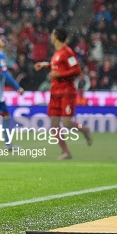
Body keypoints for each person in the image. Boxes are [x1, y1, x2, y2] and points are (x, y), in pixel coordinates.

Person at [34, 27, 93, 160]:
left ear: (56, 36)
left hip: (67, 92)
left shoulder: (68, 52)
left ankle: (84, 129)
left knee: (66, 123)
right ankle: (65, 151)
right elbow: (58, 66)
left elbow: (77, 70)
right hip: (55, 92)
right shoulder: (57, 53)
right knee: (54, 124)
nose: (50, 36)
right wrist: (46, 65)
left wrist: (59, 74)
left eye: (52, 33)